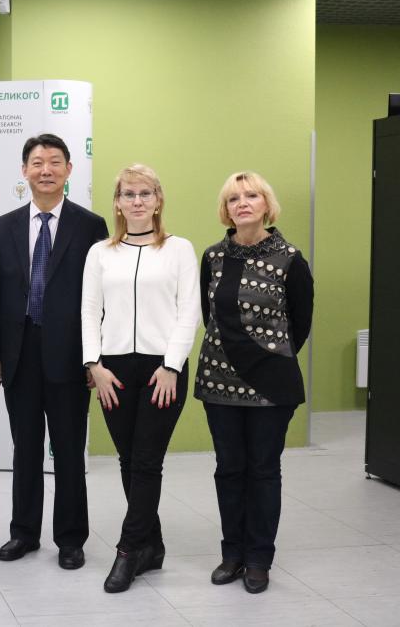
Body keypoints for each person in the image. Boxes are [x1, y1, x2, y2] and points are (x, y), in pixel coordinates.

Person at [0, 133, 108, 569]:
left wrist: (95, 357)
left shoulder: (90, 226)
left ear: (69, 170)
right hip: (18, 353)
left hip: (70, 354)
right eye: (37, 163)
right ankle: (23, 533)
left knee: (69, 449)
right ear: (24, 171)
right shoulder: (2, 227)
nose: (46, 170)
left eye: (55, 162)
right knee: (25, 449)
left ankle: (71, 538)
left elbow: (102, 297)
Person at [81, 164, 200, 592]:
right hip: (112, 370)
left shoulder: (179, 249)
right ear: (117, 203)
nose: (136, 201)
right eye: (128, 194)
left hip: (161, 370)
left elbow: (189, 311)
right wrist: (94, 365)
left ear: (158, 200)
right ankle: (153, 545)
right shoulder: (100, 252)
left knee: (147, 460)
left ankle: (128, 550)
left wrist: (171, 366)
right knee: (129, 461)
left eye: (145, 193)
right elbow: (89, 310)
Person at [196, 171, 313, 594]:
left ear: (267, 204)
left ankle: (259, 558)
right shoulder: (212, 257)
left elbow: (300, 324)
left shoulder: (290, 258)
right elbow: (208, 316)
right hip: (219, 381)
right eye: (233, 198)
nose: (242, 203)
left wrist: (268, 359)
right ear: (225, 210)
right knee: (229, 469)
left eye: (251, 196)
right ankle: (232, 554)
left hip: (271, 385)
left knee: (263, 470)